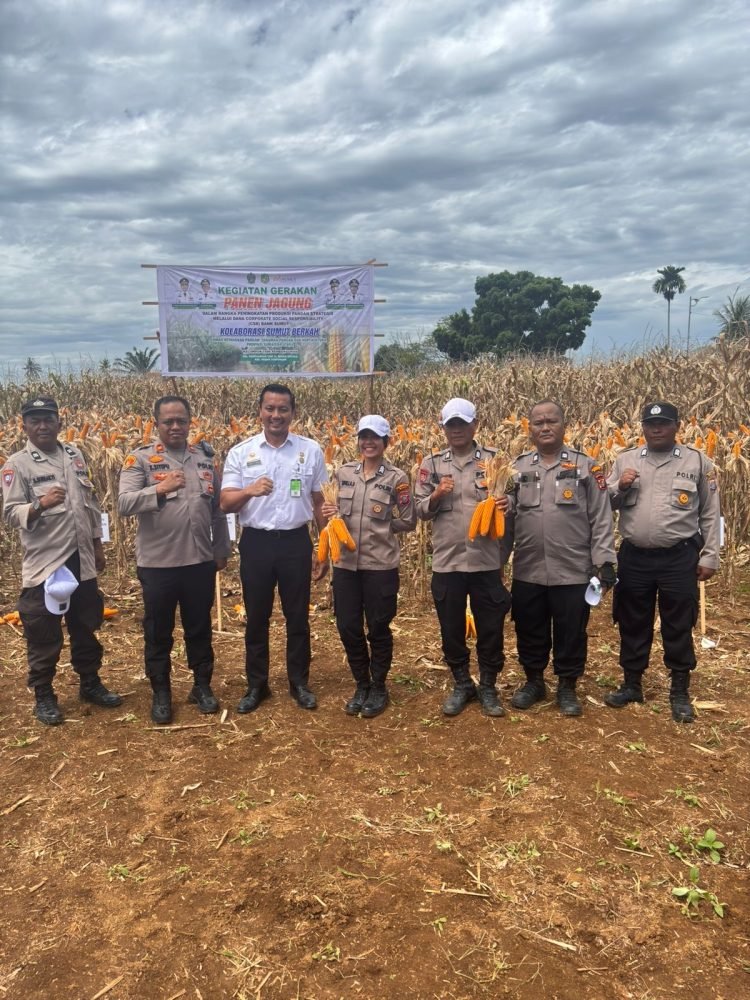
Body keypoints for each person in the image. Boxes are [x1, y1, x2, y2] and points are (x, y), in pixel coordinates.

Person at [1, 397, 122, 725]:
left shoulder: (74, 455)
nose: (42, 426)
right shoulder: (18, 464)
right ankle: (44, 694)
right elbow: (10, 513)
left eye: (48, 419)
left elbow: (90, 503)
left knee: (86, 623)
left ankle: (90, 684)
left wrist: (98, 545)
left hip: (80, 558)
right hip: (46, 564)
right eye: (35, 420)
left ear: (58, 422)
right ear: (24, 425)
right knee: (43, 631)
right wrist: (40, 504)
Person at [604, 402, 720, 723]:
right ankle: (631, 684)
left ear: (677, 426)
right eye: (650, 423)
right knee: (631, 619)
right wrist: (620, 486)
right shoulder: (625, 460)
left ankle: (679, 690)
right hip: (635, 556)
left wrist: (710, 554)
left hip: (679, 556)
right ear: (642, 427)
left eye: (664, 423)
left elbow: (710, 513)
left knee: (678, 621)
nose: (657, 429)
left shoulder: (697, 462)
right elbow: (605, 504)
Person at [118, 396, 230, 724]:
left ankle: (201, 686)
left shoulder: (205, 460)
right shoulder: (140, 460)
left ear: (190, 421)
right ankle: (162, 692)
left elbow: (217, 511)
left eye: (181, 420)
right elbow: (123, 503)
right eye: (168, 421)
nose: (176, 426)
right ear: (156, 424)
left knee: (199, 628)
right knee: (158, 632)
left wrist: (221, 549)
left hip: (198, 561)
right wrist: (159, 489)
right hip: (157, 564)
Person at [220, 384, 328, 713]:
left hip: (296, 541)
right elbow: (225, 502)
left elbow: (320, 501)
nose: (276, 415)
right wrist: (250, 490)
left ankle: (299, 683)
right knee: (257, 618)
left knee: (298, 617)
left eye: (283, 409)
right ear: (260, 412)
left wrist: (324, 547)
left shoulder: (310, 451)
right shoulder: (241, 452)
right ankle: (257, 685)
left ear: (293, 413)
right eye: (270, 408)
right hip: (257, 543)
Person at [507, 400, 616, 717]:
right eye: (538, 422)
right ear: (529, 429)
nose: (544, 427)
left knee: (571, 631)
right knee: (529, 628)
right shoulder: (517, 468)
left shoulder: (587, 467)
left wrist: (604, 562)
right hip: (528, 569)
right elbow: (507, 519)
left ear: (564, 425)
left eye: (551, 421)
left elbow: (601, 517)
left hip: (573, 570)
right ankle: (534, 681)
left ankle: (567, 687)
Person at [415, 398, 511, 717]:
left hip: (486, 561)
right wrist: (436, 495)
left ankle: (487, 684)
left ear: (475, 426)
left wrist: (507, 502)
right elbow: (418, 510)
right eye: (450, 425)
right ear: (443, 428)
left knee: (491, 627)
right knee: (451, 628)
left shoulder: (494, 461)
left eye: (462, 424)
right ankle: (461, 682)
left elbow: (516, 497)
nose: (456, 430)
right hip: (448, 562)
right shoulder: (431, 464)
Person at [321, 415, 417, 718]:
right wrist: (329, 512)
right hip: (346, 565)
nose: (369, 442)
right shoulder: (344, 473)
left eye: (375, 437)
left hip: (380, 565)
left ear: (386, 442)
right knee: (347, 626)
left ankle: (378, 685)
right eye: (364, 436)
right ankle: (360, 683)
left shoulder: (397, 478)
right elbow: (331, 511)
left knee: (378, 626)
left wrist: (385, 523)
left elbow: (409, 519)